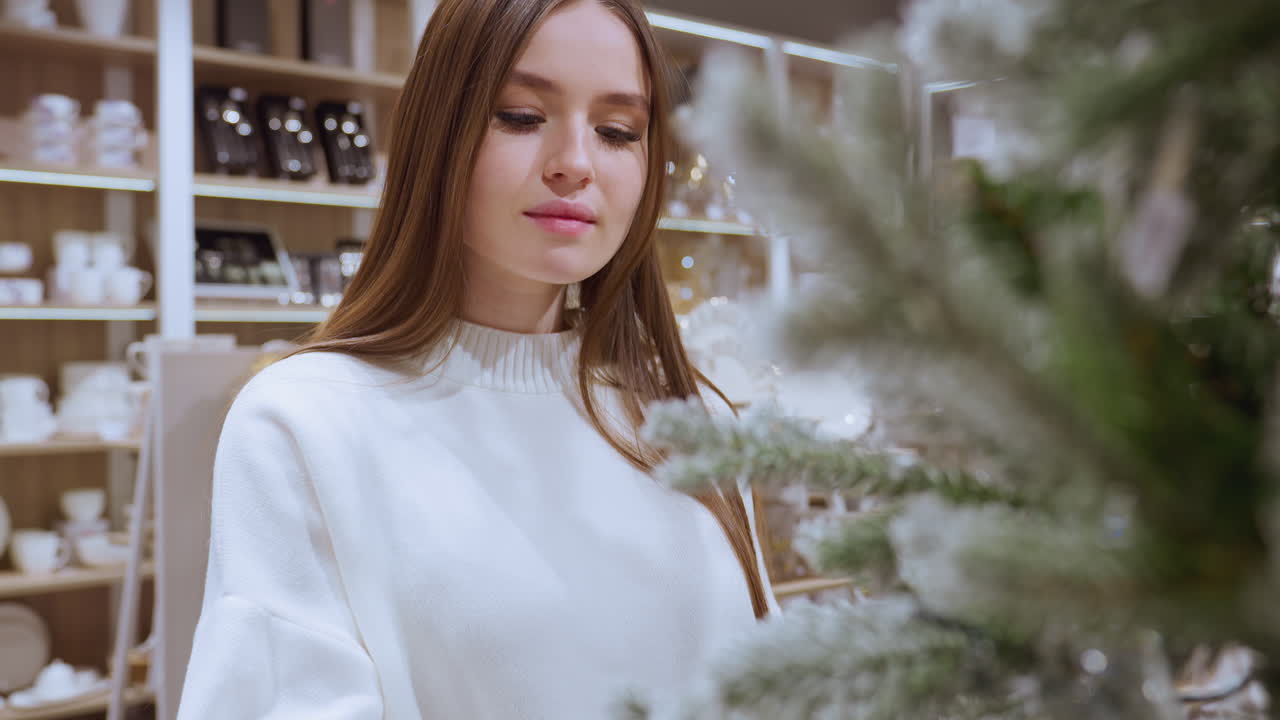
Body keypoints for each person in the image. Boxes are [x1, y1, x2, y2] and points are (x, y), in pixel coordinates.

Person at [177, 0, 778, 717]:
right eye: (521, 117)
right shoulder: (306, 422)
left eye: (618, 132)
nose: (575, 164)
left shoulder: (689, 418)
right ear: (440, 134)